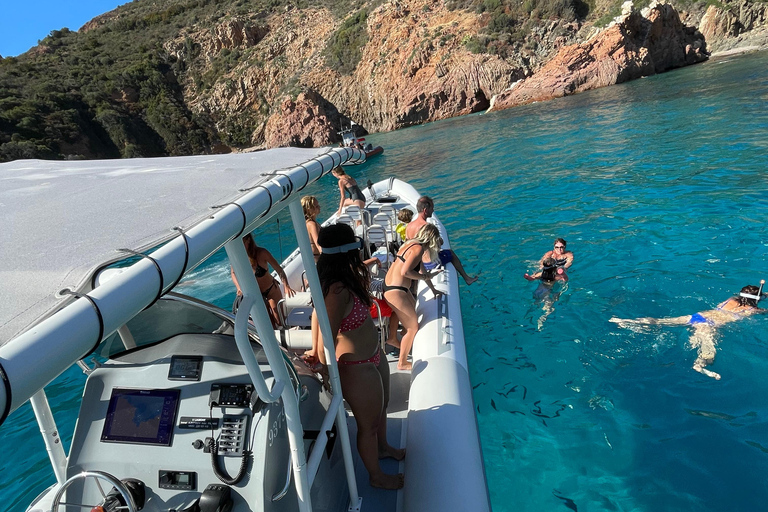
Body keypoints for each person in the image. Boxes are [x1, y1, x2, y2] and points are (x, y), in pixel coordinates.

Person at [313, 224, 405, 489]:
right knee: (369, 425)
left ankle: (384, 447)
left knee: (383, 406)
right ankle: (376, 477)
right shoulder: (335, 291)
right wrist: (318, 355)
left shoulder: (347, 277)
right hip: (355, 366)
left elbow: (315, 315)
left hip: (374, 354)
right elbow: (324, 327)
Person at [610, 282, 766, 380]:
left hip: (698, 316)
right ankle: (699, 366)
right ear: (756, 300)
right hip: (709, 325)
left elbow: (754, 296)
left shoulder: (731, 300)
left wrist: (761, 294)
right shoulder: (753, 310)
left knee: (660, 322)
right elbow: (762, 307)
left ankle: (624, 322)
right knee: (709, 354)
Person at [383, 224, 443, 371]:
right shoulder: (419, 249)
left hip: (391, 286)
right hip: (396, 291)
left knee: (413, 312)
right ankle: (402, 362)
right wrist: (425, 276)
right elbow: (406, 272)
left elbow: (420, 269)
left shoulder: (410, 244)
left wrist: (433, 289)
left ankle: (395, 338)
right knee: (412, 327)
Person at [406, 196, 478, 285]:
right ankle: (467, 278)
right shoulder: (427, 227)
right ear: (425, 210)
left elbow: (407, 244)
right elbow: (440, 243)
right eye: (432, 208)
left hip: (418, 264)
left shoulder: (409, 226)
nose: (433, 210)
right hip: (430, 263)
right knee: (450, 253)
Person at [231, 234, 295, 328]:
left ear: (248, 240)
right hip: (257, 295)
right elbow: (233, 273)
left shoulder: (261, 253)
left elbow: (278, 269)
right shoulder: (238, 257)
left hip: (271, 290)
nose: (239, 247)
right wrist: (238, 287)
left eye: (242, 243)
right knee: (268, 325)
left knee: (279, 320)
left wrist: (286, 286)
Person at [302, 195, 322, 262]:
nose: (319, 207)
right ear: (309, 209)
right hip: (317, 258)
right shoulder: (312, 224)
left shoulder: (308, 222)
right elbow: (318, 244)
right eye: (316, 206)